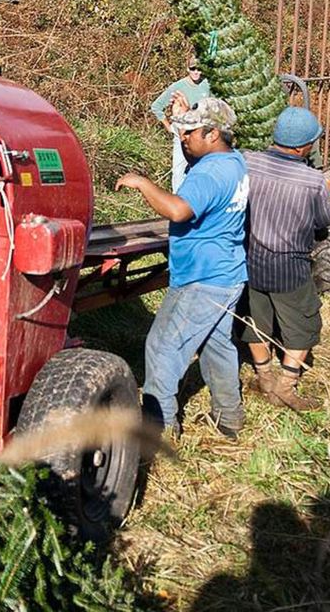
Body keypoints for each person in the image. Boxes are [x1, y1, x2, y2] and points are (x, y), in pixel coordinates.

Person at [116, 97, 248, 439]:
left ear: (213, 133)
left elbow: (178, 210)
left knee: (162, 347)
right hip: (228, 272)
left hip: (202, 278)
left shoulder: (210, 172)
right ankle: (230, 418)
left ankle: (159, 428)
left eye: (190, 132)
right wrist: (181, 119)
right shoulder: (234, 163)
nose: (183, 138)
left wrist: (143, 183)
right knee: (218, 346)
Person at [240, 107, 330, 411]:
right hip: (290, 268)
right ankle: (286, 387)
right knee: (302, 327)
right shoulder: (312, 181)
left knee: (255, 321)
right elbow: (323, 222)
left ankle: (263, 376)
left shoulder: (248, 162)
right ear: (301, 147)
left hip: (251, 261)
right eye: (312, 143)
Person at [150, 54, 211, 193]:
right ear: (187, 69)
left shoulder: (207, 85)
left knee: (201, 169)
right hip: (181, 133)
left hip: (201, 133)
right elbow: (156, 107)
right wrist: (169, 126)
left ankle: (196, 200)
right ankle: (177, 200)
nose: (196, 72)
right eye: (192, 69)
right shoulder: (178, 86)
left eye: (199, 69)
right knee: (178, 169)